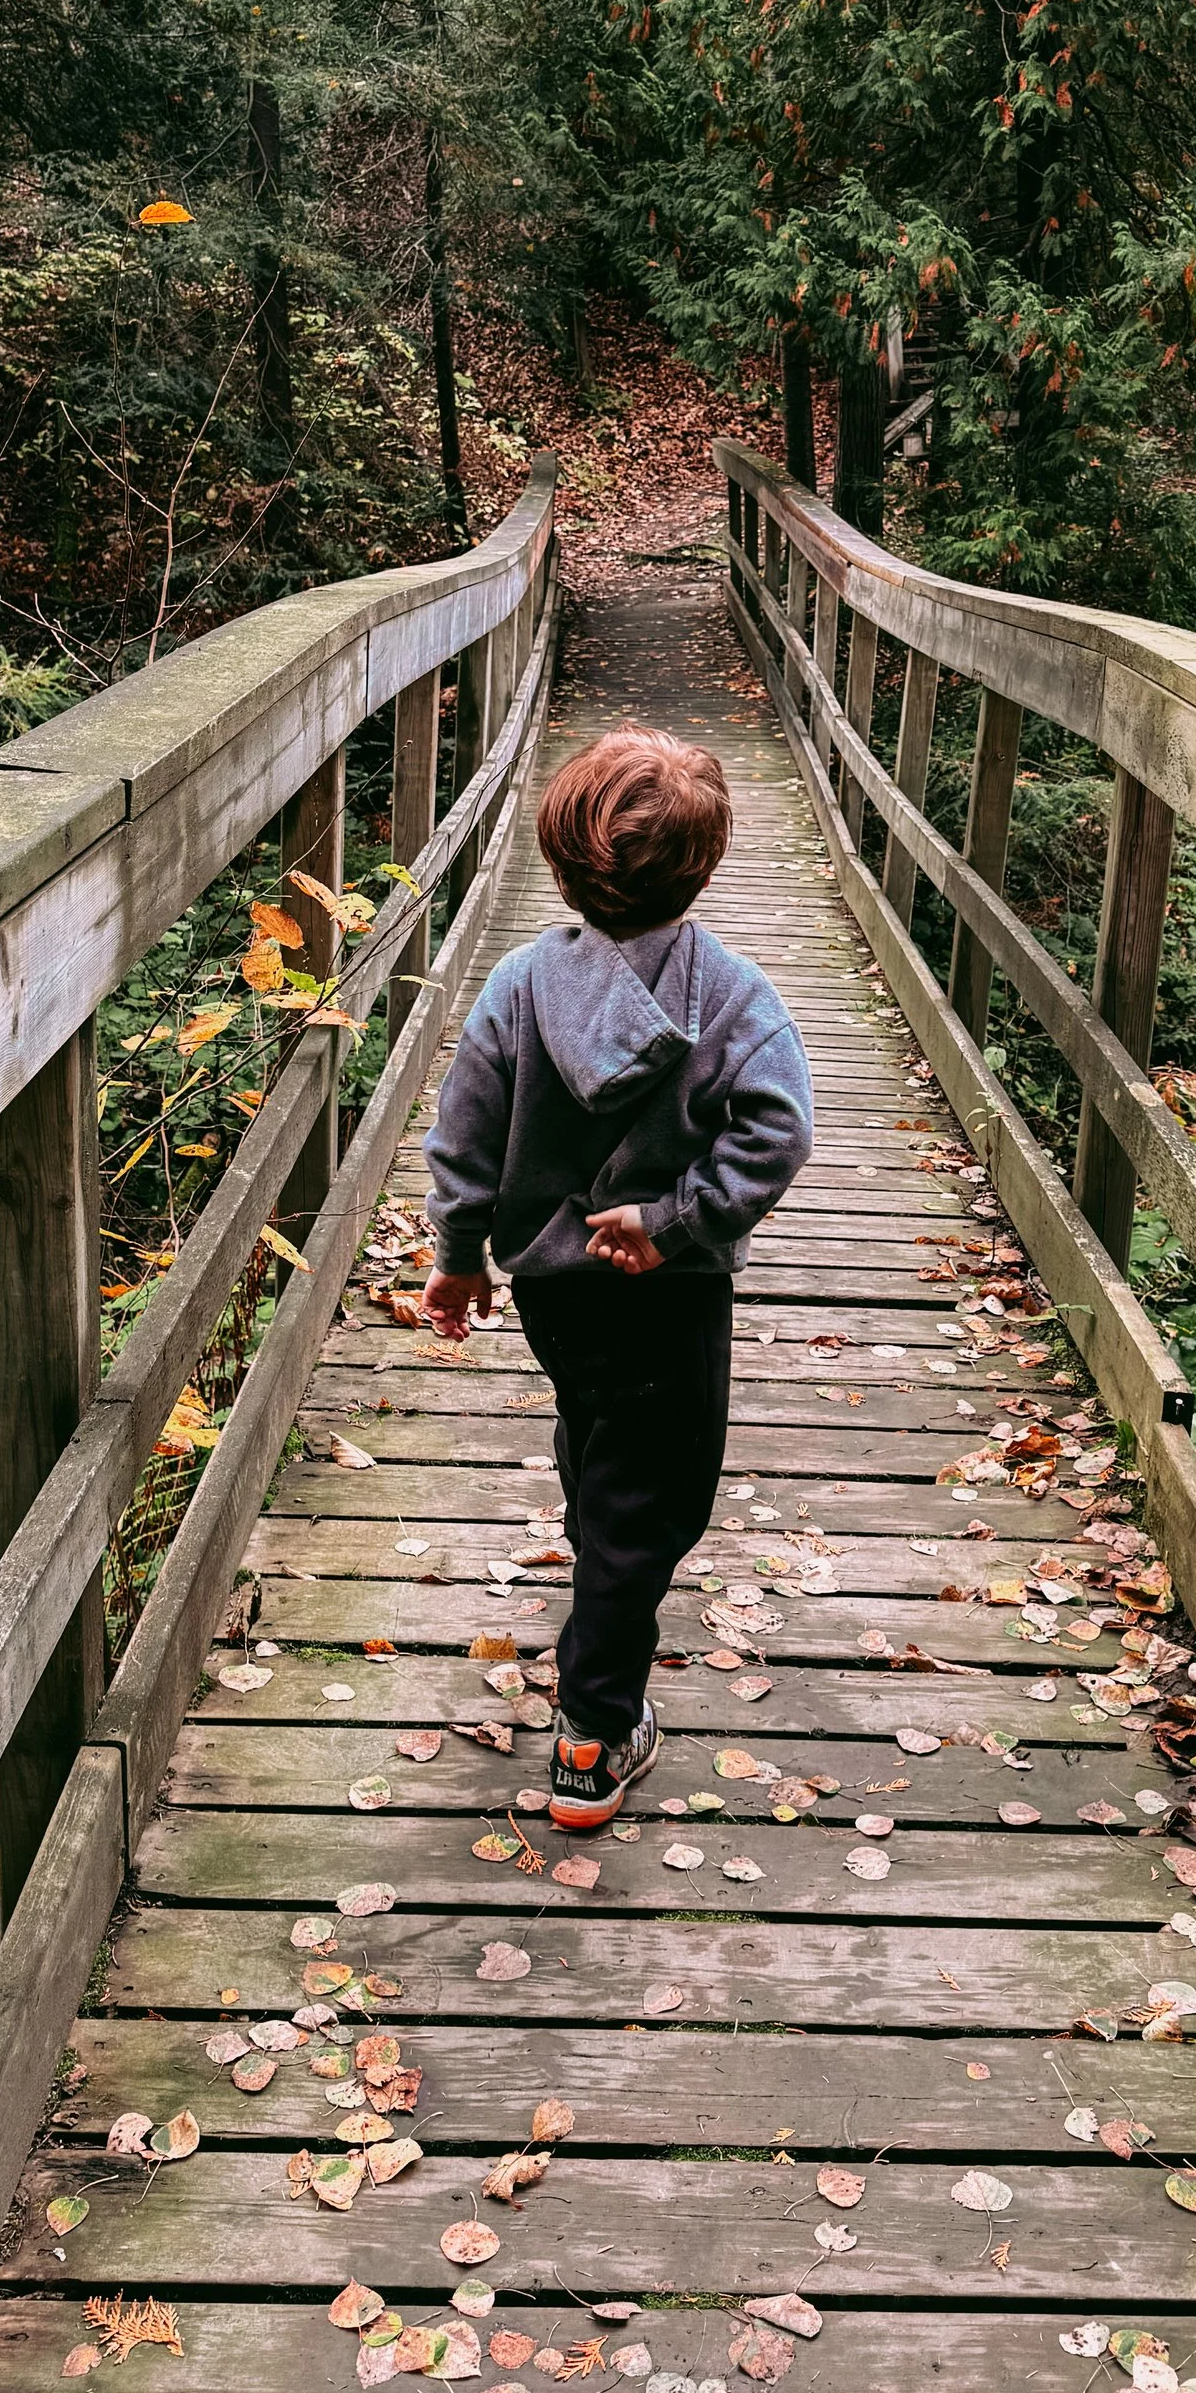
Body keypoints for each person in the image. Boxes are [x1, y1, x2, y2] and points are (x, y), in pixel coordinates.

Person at [420, 726, 813, 1827]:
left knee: (598, 1431)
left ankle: (597, 1563)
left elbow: (461, 1140)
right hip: (668, 1289)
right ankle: (593, 1735)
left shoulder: (516, 985)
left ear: (558, 860)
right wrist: (677, 1219)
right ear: (708, 863)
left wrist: (455, 1261)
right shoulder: (735, 1001)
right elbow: (775, 1133)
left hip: (552, 1285)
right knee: (656, 1496)